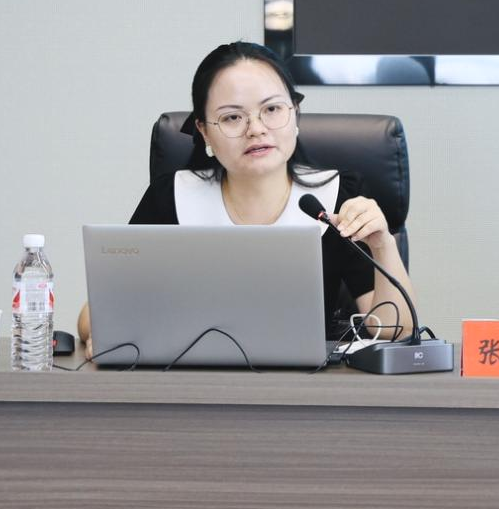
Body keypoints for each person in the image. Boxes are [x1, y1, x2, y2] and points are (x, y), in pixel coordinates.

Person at [77, 41, 415, 358]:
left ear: (295, 114)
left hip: (307, 388)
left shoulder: (336, 197)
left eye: (272, 109)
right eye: (232, 117)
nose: (256, 129)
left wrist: (382, 244)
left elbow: (394, 330)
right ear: (204, 131)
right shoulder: (172, 197)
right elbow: (91, 320)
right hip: (189, 386)